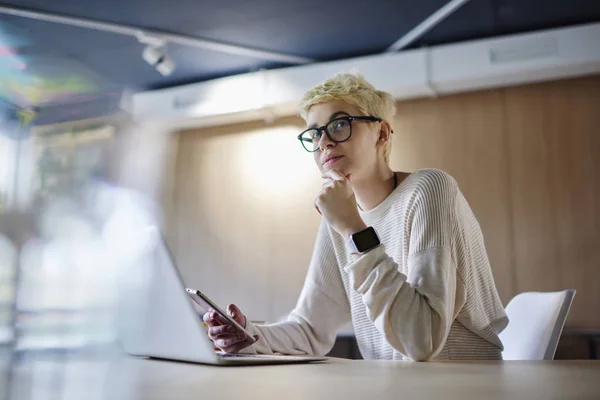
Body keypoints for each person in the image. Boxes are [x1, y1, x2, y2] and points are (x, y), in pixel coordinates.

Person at [204, 73, 508, 361]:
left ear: (382, 133)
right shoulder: (340, 218)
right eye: (315, 133)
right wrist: (251, 336)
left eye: (340, 124)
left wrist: (352, 228)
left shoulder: (428, 189)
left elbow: (422, 342)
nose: (324, 142)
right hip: (394, 388)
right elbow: (311, 329)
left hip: (465, 385)